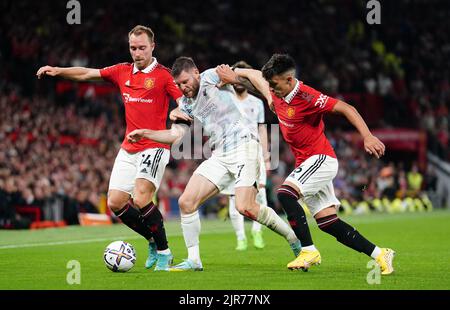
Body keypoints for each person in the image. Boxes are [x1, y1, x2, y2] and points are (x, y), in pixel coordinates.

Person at [216, 54, 395, 275]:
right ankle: (381, 254)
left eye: (275, 85)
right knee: (328, 222)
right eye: (270, 84)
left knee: (285, 193)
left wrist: (367, 136)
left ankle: (308, 250)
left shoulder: (307, 96)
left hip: (321, 159)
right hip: (308, 163)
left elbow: (347, 108)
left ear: (289, 80)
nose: (271, 89)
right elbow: (255, 75)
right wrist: (234, 73)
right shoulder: (275, 91)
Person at [127, 56, 302, 271]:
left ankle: (293, 238)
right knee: (186, 202)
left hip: (244, 146)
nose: (183, 88)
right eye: (179, 85)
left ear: (196, 74)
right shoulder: (186, 104)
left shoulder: (211, 76)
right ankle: (194, 260)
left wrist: (259, 90)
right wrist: (147, 133)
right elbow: (175, 136)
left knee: (245, 207)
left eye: (185, 82)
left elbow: (254, 74)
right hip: (220, 154)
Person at [36, 25, 189, 271]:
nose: (137, 52)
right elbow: (87, 74)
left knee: (140, 198)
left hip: (156, 145)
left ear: (152, 46)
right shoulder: (121, 71)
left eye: (142, 47)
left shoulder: (164, 75)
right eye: (133, 48)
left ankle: (164, 252)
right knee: (116, 203)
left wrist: (180, 113)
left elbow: (185, 101)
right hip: (129, 147)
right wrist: (59, 70)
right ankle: (151, 240)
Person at [220, 61, 269, 251]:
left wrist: (265, 155)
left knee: (261, 194)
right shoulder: (226, 99)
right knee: (234, 197)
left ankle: (257, 230)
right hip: (231, 151)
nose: (239, 82)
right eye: (236, 78)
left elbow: (262, 129)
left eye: (242, 78)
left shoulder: (257, 103)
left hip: (254, 151)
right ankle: (240, 237)